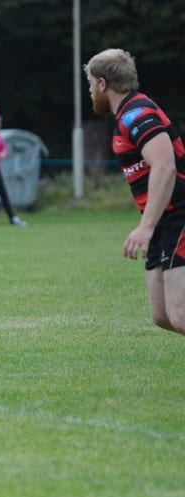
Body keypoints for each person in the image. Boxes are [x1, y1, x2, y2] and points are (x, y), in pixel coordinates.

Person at [85, 48, 185, 337]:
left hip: (178, 215)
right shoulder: (127, 115)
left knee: (179, 314)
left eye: (91, 85)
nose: (91, 93)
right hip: (164, 223)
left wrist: (146, 226)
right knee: (163, 315)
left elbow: (165, 166)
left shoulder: (136, 115)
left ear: (103, 84)